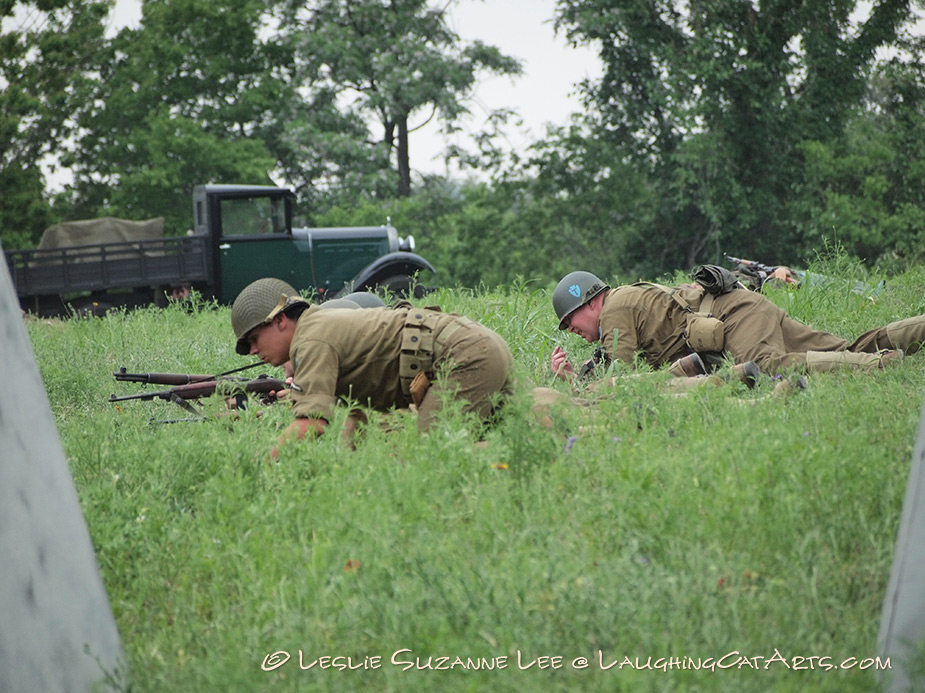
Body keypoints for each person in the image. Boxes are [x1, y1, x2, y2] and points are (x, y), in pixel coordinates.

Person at [231, 278, 515, 449]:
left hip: (464, 356)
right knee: (515, 433)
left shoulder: (311, 340)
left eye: (254, 339)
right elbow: (359, 416)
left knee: (434, 456)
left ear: (280, 320)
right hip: (479, 345)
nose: (254, 351)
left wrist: (264, 464)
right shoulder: (319, 327)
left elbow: (313, 424)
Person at [549, 270, 925, 380]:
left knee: (766, 366)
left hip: (734, 315)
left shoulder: (614, 308)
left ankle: (881, 365)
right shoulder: (627, 300)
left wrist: (571, 383)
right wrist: (577, 374)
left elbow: (622, 379)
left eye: (570, 321)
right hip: (742, 307)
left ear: (592, 301)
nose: (571, 332)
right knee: (842, 350)